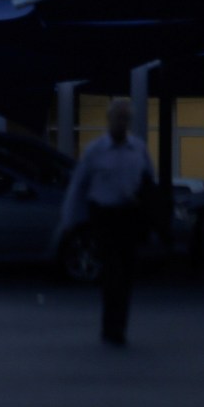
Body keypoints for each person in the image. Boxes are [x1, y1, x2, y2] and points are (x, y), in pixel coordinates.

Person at [61, 98, 156, 346]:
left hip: (128, 216)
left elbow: (149, 182)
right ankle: (110, 326)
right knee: (112, 271)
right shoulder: (95, 151)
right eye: (118, 118)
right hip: (104, 216)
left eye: (125, 118)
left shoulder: (138, 149)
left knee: (125, 274)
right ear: (109, 120)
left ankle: (118, 325)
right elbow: (78, 186)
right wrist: (70, 220)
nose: (121, 123)